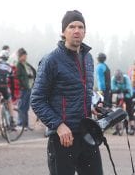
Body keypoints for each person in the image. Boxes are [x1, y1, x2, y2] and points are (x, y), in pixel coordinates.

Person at [31, 10, 103, 175]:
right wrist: (58, 125)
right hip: (63, 136)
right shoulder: (51, 60)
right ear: (63, 32)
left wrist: (92, 106)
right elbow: (37, 100)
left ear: (85, 31)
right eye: (71, 27)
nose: (76, 30)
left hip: (87, 133)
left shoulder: (88, 58)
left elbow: (83, 91)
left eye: (80, 26)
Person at [0, 50, 15, 126]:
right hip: (4, 87)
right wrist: (13, 92)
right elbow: (12, 79)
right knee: (9, 101)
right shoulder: (9, 66)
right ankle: (11, 120)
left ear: (0, 56)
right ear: (7, 58)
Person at [16, 48, 36, 130]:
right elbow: (18, 77)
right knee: (21, 106)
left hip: (29, 87)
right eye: (23, 56)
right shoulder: (18, 65)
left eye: (25, 56)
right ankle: (20, 124)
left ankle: (26, 124)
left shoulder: (27, 64)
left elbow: (34, 72)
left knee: (26, 107)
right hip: (23, 88)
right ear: (20, 56)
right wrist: (23, 83)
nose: (25, 57)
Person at [111, 70, 134, 135]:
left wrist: (127, 95)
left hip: (127, 94)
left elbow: (129, 89)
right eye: (117, 79)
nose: (119, 80)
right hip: (118, 94)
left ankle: (132, 127)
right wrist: (116, 90)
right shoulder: (113, 79)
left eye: (120, 79)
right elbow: (112, 88)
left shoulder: (126, 78)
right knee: (115, 110)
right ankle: (117, 127)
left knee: (130, 110)